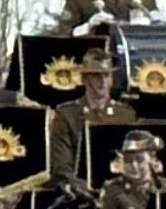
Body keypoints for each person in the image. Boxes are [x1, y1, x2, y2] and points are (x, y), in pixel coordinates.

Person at [46, 50, 134, 193]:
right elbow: (61, 165)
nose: (102, 82)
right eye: (96, 76)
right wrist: (77, 185)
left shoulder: (126, 114)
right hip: (82, 192)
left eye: (106, 76)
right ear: (84, 79)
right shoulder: (67, 115)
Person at [97, 128, 166, 209]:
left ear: (152, 160)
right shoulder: (112, 191)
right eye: (128, 160)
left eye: (140, 160)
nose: (134, 166)